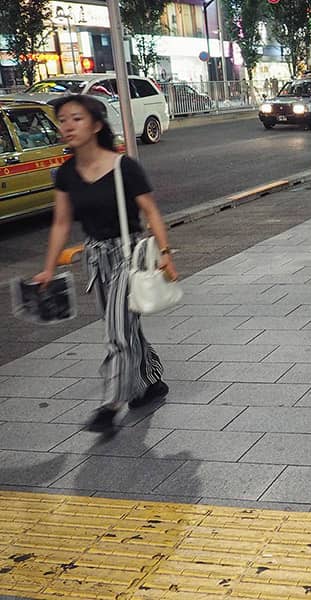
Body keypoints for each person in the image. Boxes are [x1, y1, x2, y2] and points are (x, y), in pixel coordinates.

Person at [34, 95, 176, 433]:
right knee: (124, 327)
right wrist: (49, 267)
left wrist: (166, 254)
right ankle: (151, 380)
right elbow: (61, 223)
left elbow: (151, 212)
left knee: (116, 332)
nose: (67, 126)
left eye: (76, 119)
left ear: (96, 125)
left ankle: (111, 404)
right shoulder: (67, 173)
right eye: (63, 120)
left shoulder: (123, 167)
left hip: (129, 257)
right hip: (96, 259)